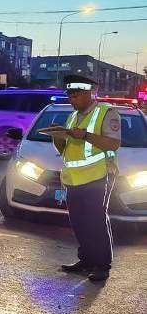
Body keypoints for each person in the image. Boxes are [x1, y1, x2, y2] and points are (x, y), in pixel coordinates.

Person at [51, 74, 121, 282]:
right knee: (79, 222)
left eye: (76, 96)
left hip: (98, 176)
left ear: (89, 93)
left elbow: (113, 144)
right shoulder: (72, 117)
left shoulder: (106, 112)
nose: (72, 100)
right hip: (74, 178)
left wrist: (86, 136)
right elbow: (65, 150)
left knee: (96, 221)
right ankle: (87, 260)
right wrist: (57, 137)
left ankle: (102, 265)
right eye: (70, 96)